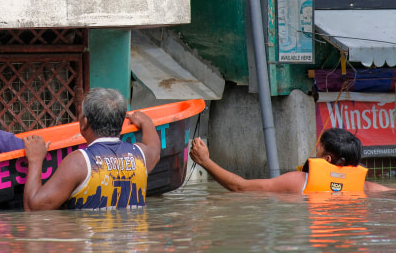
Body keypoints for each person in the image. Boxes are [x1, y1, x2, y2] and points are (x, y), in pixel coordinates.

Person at [22, 87, 161, 211]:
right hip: (135, 239)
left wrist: (35, 160)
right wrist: (146, 122)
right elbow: (155, 150)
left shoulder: (79, 162)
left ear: (85, 122)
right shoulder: (141, 155)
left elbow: (34, 208)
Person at [190, 128, 393, 194]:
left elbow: (239, 187)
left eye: (319, 147)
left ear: (327, 158)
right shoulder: (366, 188)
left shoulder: (299, 181)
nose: (316, 149)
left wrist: (205, 161)